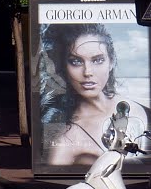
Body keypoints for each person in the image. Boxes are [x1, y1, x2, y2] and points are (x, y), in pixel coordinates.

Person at [41, 23, 150, 166]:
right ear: (64, 67)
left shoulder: (137, 108)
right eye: (76, 61)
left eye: (98, 60)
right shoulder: (68, 139)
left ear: (111, 62)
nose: (88, 72)